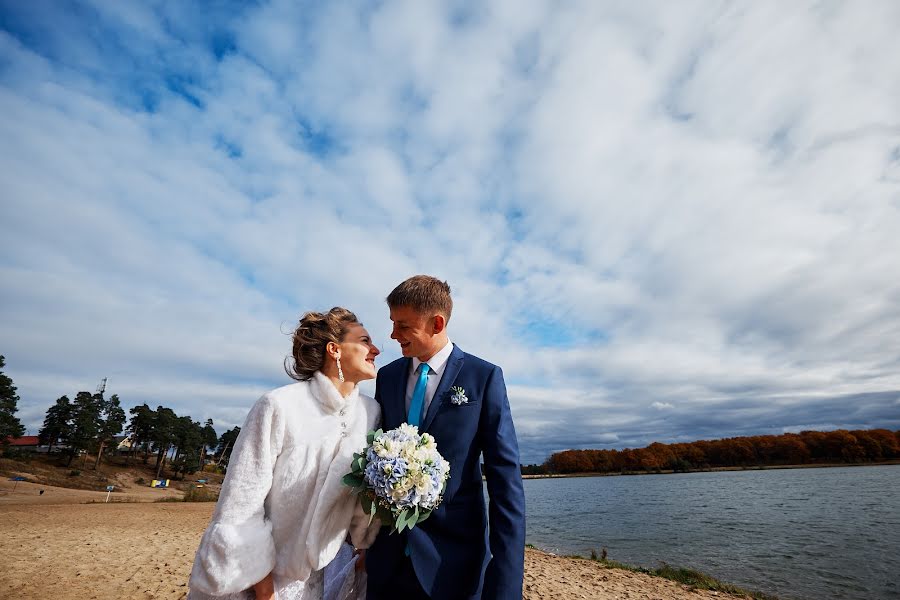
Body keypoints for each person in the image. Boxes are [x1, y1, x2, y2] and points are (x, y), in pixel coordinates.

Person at [189, 307, 382, 600]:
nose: (376, 349)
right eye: (365, 340)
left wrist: (366, 543)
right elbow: (240, 506)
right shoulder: (279, 406)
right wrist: (264, 589)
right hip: (252, 584)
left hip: (315, 585)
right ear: (335, 350)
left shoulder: (370, 414)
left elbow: (359, 508)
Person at [366, 276, 526, 600]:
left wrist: (507, 585)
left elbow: (505, 483)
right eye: (392, 323)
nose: (393, 334)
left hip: (454, 566)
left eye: (403, 325)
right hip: (387, 563)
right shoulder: (388, 377)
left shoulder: (484, 377)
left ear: (436, 323)